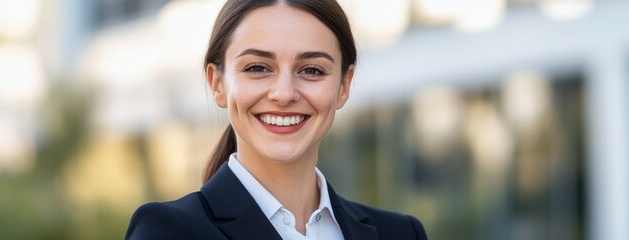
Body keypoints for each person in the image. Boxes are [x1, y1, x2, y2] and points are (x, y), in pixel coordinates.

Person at [124, 0, 427, 239]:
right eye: (257, 68)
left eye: (312, 70)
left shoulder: (400, 233)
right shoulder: (170, 231)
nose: (284, 94)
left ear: (343, 86)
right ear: (217, 84)